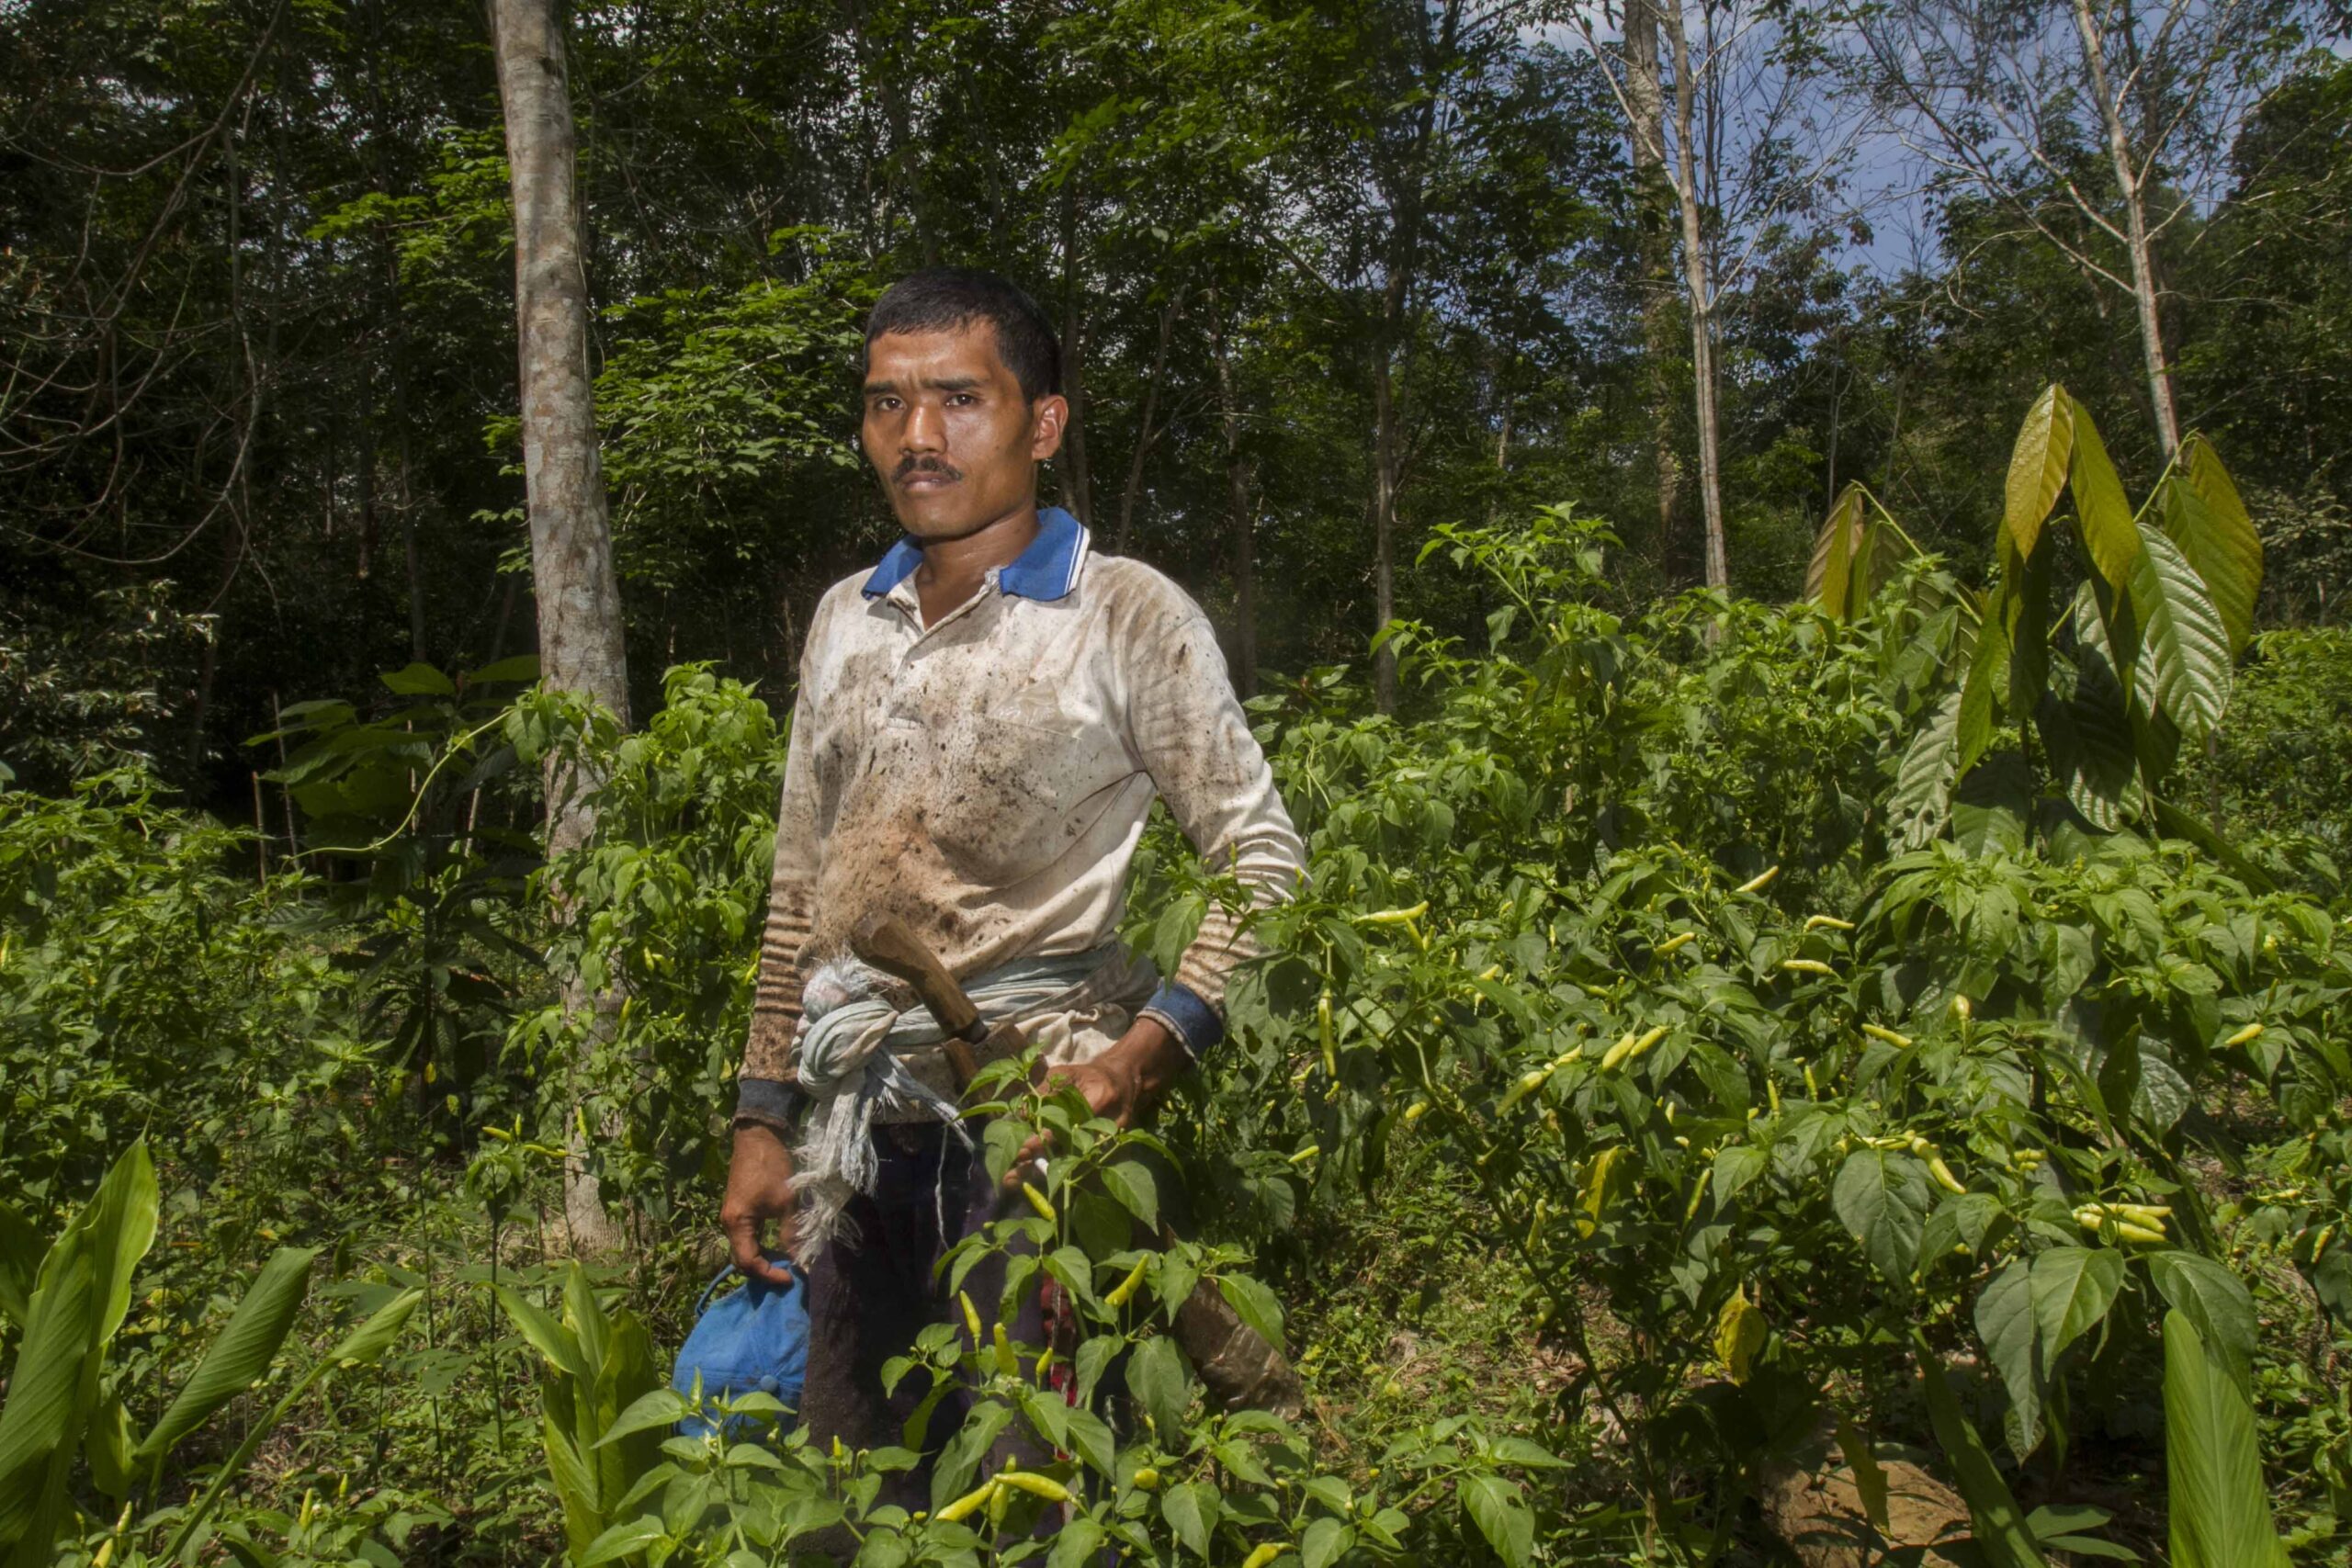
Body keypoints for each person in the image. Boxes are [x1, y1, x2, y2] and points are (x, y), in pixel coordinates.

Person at [718, 266, 1305, 1503]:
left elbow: (1265, 867)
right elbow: (799, 891)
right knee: (852, 1490)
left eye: (958, 399)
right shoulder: (847, 617)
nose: (916, 435)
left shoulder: (1122, 615)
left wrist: (1138, 1061)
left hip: (1031, 1122)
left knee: (1035, 1490)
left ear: (1042, 423)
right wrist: (764, 1115)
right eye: (887, 402)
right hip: (856, 1131)